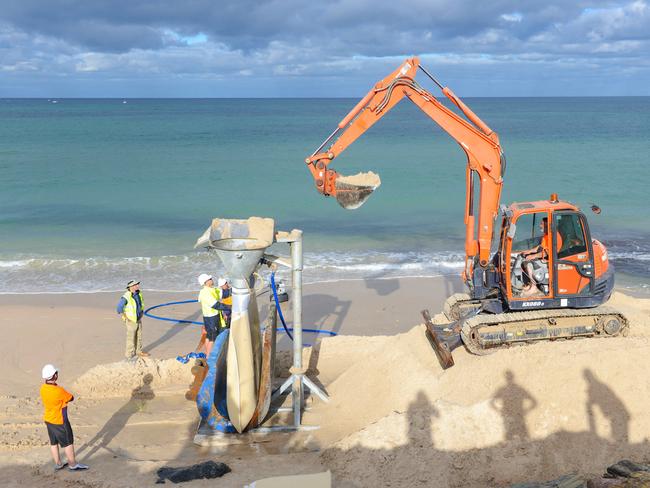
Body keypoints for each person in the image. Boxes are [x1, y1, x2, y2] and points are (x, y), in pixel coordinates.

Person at [40, 364, 89, 472]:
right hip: (60, 421)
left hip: (48, 420)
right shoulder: (59, 390)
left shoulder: (43, 388)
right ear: (54, 376)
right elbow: (71, 397)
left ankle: (58, 463)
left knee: (53, 442)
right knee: (68, 441)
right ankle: (72, 464)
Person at [197, 274, 231, 357]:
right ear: (206, 282)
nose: (212, 279)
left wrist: (235, 289)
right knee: (212, 338)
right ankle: (208, 358)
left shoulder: (212, 289)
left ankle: (207, 354)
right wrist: (229, 307)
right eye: (210, 279)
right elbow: (216, 305)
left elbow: (224, 293)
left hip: (211, 317)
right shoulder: (205, 293)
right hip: (211, 318)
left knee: (209, 336)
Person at [116, 280, 149, 360]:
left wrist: (141, 312)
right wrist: (126, 317)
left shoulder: (139, 293)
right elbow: (119, 308)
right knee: (131, 338)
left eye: (137, 284)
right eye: (136, 285)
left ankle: (138, 351)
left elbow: (141, 304)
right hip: (131, 321)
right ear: (131, 287)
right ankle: (129, 355)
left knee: (139, 336)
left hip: (138, 319)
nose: (138, 286)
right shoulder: (126, 297)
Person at [520, 218, 551, 296]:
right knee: (524, 262)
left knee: (528, 264)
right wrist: (529, 251)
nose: (540, 225)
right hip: (542, 256)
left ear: (547, 225)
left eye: (541, 224)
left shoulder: (551, 236)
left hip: (548, 260)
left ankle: (534, 287)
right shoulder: (546, 235)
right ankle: (530, 284)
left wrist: (533, 256)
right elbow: (540, 247)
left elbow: (547, 252)